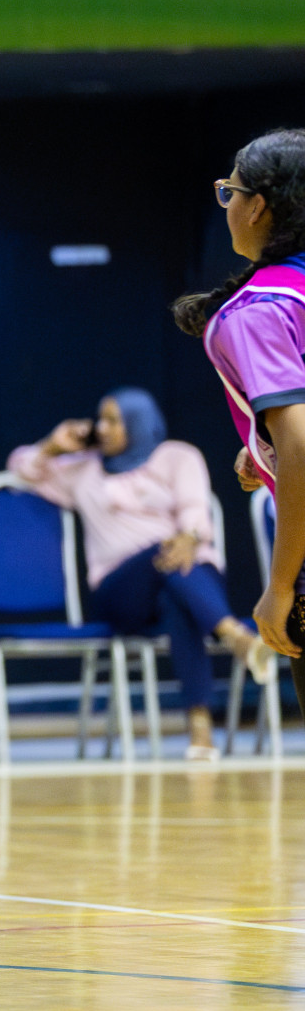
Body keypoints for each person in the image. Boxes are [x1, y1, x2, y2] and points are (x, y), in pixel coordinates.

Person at [8, 388, 265, 760]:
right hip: (121, 593)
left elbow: (196, 509)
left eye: (113, 420)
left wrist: (189, 537)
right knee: (166, 557)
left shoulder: (178, 456)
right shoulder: (83, 470)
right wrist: (54, 445)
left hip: (184, 573)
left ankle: (200, 729)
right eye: (101, 419)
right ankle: (232, 634)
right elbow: (21, 468)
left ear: (138, 423)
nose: (103, 427)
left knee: (177, 597)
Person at [174, 127, 305, 719]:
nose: (226, 204)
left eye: (231, 191)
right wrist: (265, 444)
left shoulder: (256, 312)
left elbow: (303, 443)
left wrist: (281, 587)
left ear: (259, 207)